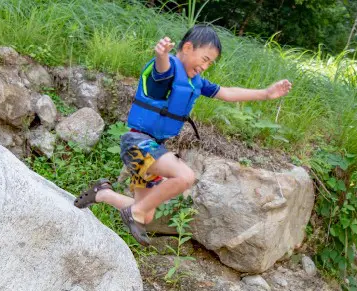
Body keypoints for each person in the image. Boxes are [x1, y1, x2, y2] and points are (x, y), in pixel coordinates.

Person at [74, 25, 292, 245]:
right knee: (185, 176)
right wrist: (161, 54)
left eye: (210, 63)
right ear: (187, 47)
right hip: (138, 144)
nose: (205, 66)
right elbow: (162, 67)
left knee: (147, 215)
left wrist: (265, 93)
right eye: (204, 59)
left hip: (150, 148)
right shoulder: (167, 71)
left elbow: (227, 93)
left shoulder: (195, 82)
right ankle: (133, 213)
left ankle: (102, 193)